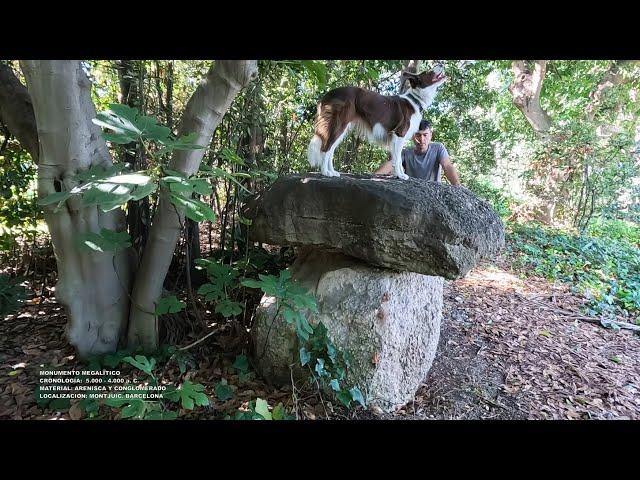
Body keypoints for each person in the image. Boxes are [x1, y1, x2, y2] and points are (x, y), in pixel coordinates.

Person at [374, 119, 461, 185]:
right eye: (418, 135)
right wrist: (373, 177)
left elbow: (447, 166)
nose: (422, 139)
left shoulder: (438, 148)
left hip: (434, 193)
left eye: (425, 135)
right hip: (411, 194)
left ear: (430, 135)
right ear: (412, 136)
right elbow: (392, 164)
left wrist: (457, 186)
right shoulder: (405, 152)